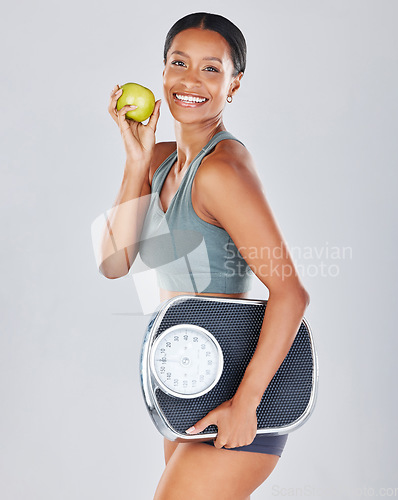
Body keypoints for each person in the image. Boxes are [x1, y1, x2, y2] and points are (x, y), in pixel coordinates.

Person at [99, 12, 310, 500]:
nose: (191, 80)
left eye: (211, 69)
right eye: (179, 63)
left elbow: (291, 293)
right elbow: (114, 262)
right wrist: (136, 162)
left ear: (234, 84)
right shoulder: (160, 160)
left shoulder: (223, 172)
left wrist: (246, 405)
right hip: (190, 381)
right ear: (164, 72)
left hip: (238, 388)